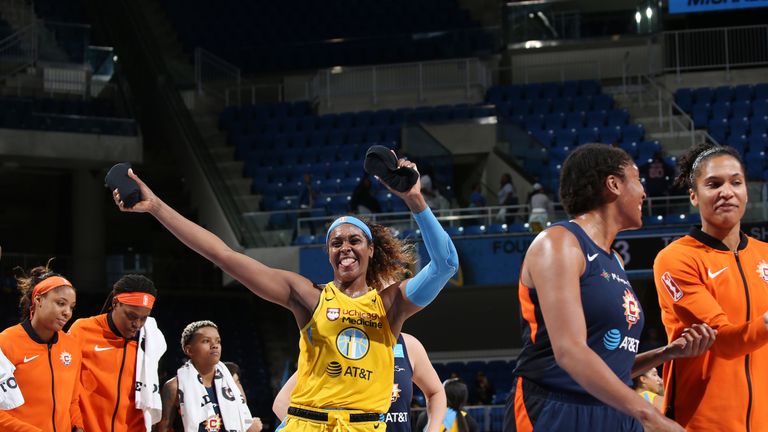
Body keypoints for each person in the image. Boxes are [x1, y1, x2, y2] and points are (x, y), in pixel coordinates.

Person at [112, 159, 458, 432]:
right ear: (328, 254)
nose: (345, 247)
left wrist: (414, 199)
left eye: (354, 240)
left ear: (370, 249)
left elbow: (445, 264)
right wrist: (156, 207)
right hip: (307, 423)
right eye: (336, 242)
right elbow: (223, 255)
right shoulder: (309, 296)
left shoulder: (390, 304)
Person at [503, 143, 717, 432]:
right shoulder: (558, 243)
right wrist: (651, 415)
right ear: (613, 184)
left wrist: (666, 353)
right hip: (555, 410)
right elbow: (570, 352)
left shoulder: (615, 259)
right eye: (637, 179)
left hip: (614, 412)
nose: (644, 192)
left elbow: (609, 366)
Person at [652, 143, 768, 430]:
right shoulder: (676, 259)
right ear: (694, 196)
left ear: (746, 191)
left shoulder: (765, 254)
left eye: (736, 183)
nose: (726, 192)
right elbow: (723, 342)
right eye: (714, 184)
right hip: (701, 423)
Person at [273, 332, 447, 432]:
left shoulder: (409, 345)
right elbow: (282, 402)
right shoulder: (339, 343)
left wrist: (433, 429)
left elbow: (436, 392)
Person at [68, 274, 166, 432]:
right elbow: (66, 386)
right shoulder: (82, 330)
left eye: (144, 318)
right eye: (131, 316)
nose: (137, 324)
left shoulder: (151, 342)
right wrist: (76, 425)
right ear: (115, 303)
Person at [0, 264, 84, 432]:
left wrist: (78, 426)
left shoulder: (72, 346)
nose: (67, 312)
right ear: (38, 300)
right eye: (61, 303)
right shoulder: (6, 343)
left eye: (71, 307)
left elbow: (72, 400)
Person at [157, 321, 260, 432]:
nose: (215, 345)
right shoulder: (174, 387)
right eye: (206, 341)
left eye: (218, 341)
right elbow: (163, 427)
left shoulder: (232, 383)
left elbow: (244, 420)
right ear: (189, 350)